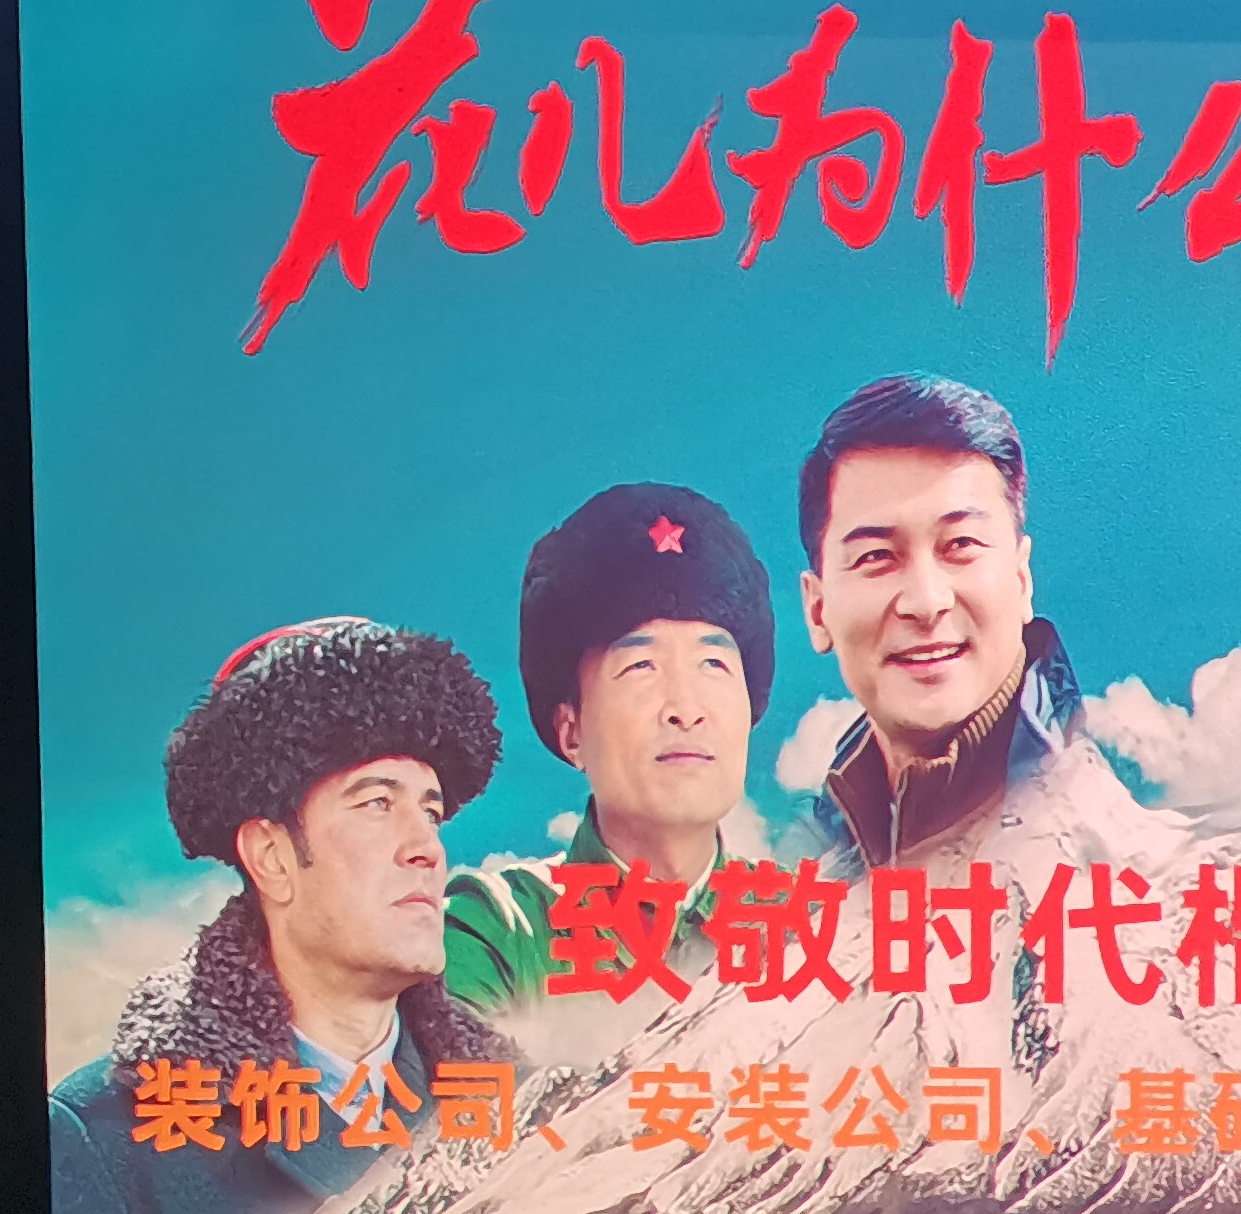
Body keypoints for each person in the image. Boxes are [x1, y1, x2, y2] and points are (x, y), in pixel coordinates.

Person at [49, 614, 518, 1214]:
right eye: (377, 804)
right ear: (270, 856)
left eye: (431, 812)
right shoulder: (103, 1139)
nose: (427, 849)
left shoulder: (515, 1093)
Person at [442, 479, 774, 1032]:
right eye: (640, 666)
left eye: (714, 664)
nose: (685, 709)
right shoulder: (498, 928)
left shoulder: (814, 922)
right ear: (572, 733)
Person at [793, 373, 1127, 869]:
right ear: (818, 610)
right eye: (877, 557)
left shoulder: (1122, 849)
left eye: (961, 546)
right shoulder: (802, 863)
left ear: (1022, 579)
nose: (926, 602)